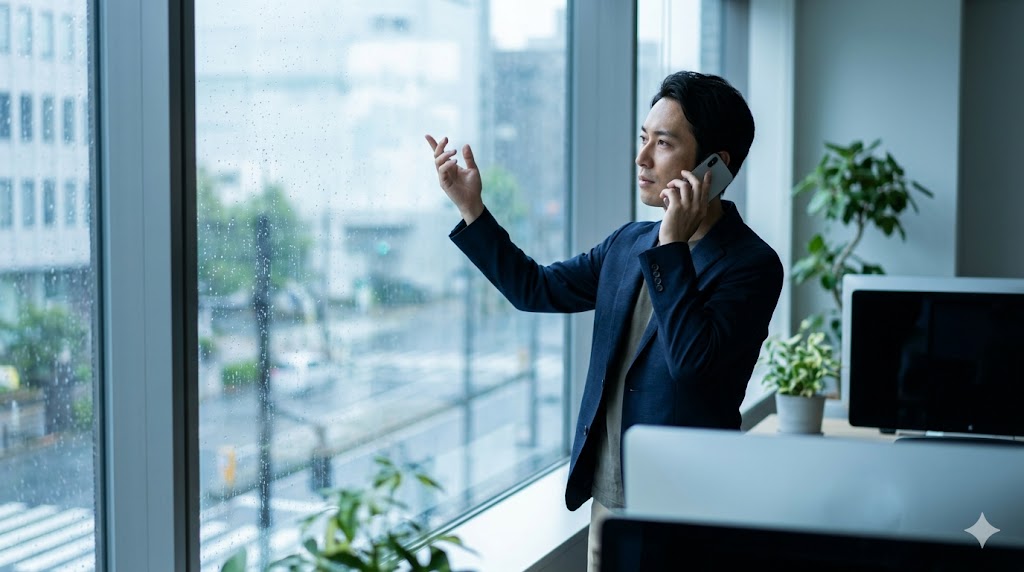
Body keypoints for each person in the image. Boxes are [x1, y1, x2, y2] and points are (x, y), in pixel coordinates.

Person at [425, 70, 783, 571]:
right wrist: (472, 210)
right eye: (642, 139)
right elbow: (537, 289)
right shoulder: (627, 243)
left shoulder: (750, 265)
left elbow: (693, 365)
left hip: (687, 514)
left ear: (715, 166)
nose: (641, 159)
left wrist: (674, 247)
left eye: (662, 144)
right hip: (611, 504)